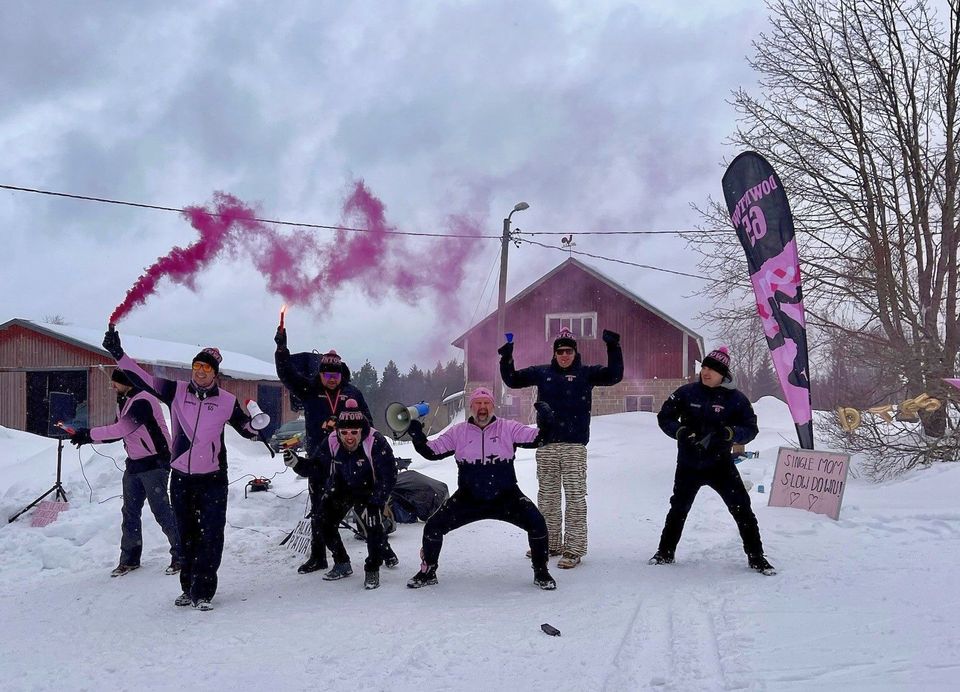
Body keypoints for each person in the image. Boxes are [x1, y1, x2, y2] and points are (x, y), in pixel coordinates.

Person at [102, 327, 262, 610]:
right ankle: (188, 588)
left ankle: (204, 592)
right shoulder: (175, 391)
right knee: (187, 533)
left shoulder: (226, 401)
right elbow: (144, 378)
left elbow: (245, 429)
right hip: (182, 478)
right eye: (196, 366)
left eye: (206, 368)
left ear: (215, 373)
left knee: (211, 535)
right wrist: (118, 354)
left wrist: (258, 426)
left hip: (212, 479)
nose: (200, 372)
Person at [405, 387, 557, 590]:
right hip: (469, 498)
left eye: (486, 404)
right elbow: (432, 452)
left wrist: (546, 421)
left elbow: (539, 438)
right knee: (432, 528)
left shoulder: (508, 428)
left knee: (537, 523)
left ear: (493, 406)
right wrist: (417, 435)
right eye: (478, 403)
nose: (482, 408)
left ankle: (541, 572)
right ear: (471, 407)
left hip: (506, 496)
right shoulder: (458, 432)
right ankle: (428, 571)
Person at [498, 327, 623, 569]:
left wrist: (613, 346)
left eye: (568, 351)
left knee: (575, 498)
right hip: (546, 445)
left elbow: (614, 375)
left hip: (574, 446)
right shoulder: (542, 373)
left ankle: (574, 549)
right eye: (560, 351)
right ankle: (551, 544)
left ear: (575, 353)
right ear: (554, 354)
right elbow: (512, 380)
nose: (564, 355)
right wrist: (506, 357)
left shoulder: (586, 374)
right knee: (547, 499)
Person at [649, 346, 775, 574]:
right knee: (678, 509)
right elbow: (664, 416)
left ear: (723, 374)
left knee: (742, 509)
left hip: (720, 465)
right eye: (704, 367)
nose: (706, 372)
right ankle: (664, 553)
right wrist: (679, 431)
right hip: (689, 464)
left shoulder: (736, 399)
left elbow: (750, 428)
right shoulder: (686, 393)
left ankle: (756, 557)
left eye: (712, 369)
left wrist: (730, 433)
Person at [274, 326, 373, 575]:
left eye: (336, 373)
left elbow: (368, 424)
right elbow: (287, 375)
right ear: (321, 373)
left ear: (342, 374)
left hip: (349, 461)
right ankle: (319, 557)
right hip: (318, 459)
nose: (331, 377)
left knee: (364, 506)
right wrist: (281, 349)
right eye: (327, 373)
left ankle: (382, 552)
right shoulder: (310, 390)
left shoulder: (352, 393)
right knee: (319, 511)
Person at [68, 368, 182, 578]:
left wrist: (89, 433)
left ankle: (181, 555)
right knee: (130, 512)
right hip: (135, 464)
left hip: (154, 463)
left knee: (161, 510)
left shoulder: (143, 400)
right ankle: (129, 559)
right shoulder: (125, 399)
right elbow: (117, 432)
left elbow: (123, 428)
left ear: (127, 382)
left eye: (115, 382)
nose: (112, 386)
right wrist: (87, 438)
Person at [285, 399, 397, 590]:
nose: (349, 438)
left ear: (362, 431)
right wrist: (297, 464)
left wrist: (377, 500)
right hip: (342, 486)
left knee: (372, 523)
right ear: (338, 432)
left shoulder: (375, 440)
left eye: (354, 432)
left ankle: (373, 567)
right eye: (344, 433)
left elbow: (389, 475)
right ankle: (342, 562)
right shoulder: (331, 441)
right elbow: (317, 467)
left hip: (370, 487)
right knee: (322, 520)